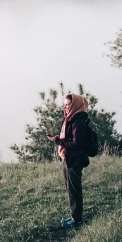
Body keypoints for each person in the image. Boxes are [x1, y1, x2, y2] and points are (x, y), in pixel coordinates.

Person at [47, 93, 90, 228]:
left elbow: (76, 144)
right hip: (68, 159)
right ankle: (74, 217)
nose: (65, 107)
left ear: (76, 105)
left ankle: (77, 220)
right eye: (64, 105)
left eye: (68, 105)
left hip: (75, 160)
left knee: (74, 190)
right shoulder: (70, 119)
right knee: (70, 189)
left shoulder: (77, 122)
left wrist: (58, 140)